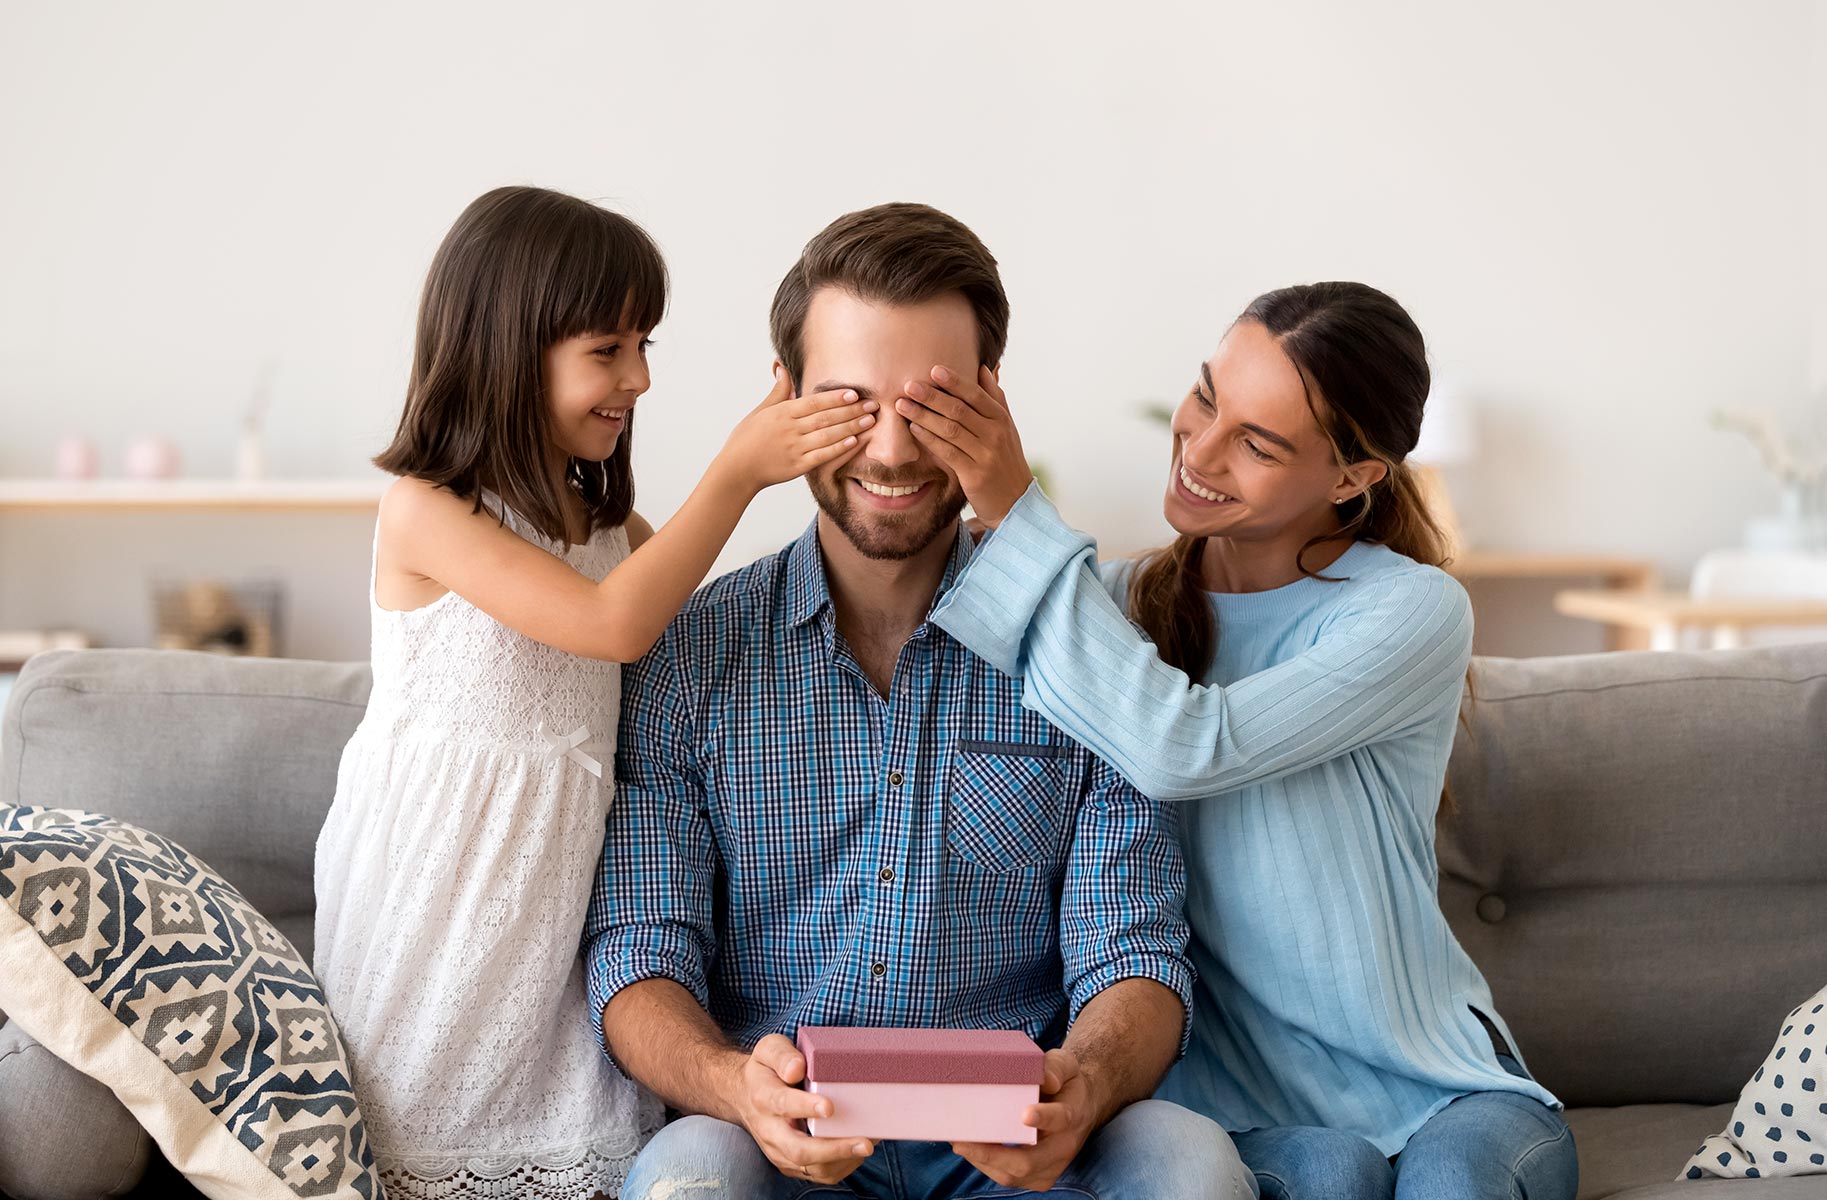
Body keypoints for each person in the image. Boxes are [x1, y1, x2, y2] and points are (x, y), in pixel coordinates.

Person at [586, 202, 1256, 1200]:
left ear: (992, 396)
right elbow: (640, 947)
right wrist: (732, 1084)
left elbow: (1137, 951)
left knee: (1191, 1165)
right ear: (784, 398)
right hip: (781, 1146)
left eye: (932, 406)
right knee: (688, 1175)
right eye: (851, 403)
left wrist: (1088, 1080)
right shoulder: (690, 655)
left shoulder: (1086, 658)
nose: (893, 453)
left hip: (1025, 1153)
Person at [897, 281, 1579, 1199]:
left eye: (1257, 443)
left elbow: (1183, 748)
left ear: (1351, 477)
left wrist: (1015, 504)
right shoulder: (1115, 607)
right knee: (1329, 1178)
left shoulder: (1405, 609)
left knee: (1450, 1184)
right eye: (1207, 396)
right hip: (1233, 1110)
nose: (1200, 448)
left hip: (1437, 1087)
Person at [311, 185, 876, 1199]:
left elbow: (694, 632)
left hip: (548, 934)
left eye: (644, 345)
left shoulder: (609, 533)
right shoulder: (428, 514)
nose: (640, 379)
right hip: (441, 913)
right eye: (607, 351)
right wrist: (739, 472)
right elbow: (615, 624)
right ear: (507, 348)